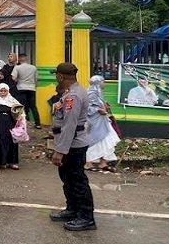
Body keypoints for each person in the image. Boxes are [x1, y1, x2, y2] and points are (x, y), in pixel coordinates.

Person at [49, 62, 96, 231]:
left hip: (73, 145)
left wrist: (60, 151)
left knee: (77, 181)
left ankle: (86, 217)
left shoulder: (73, 96)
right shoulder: (71, 93)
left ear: (61, 77)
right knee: (68, 180)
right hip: (70, 143)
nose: (56, 78)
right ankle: (73, 209)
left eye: (57, 75)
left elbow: (70, 125)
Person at [85, 76, 120, 172]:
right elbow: (87, 108)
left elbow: (98, 105)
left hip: (102, 121)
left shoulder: (98, 93)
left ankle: (103, 163)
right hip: (95, 122)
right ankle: (88, 163)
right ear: (97, 83)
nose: (104, 83)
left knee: (105, 139)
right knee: (94, 140)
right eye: (103, 81)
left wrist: (105, 107)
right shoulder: (91, 93)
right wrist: (98, 110)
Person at [12, 54, 40, 129]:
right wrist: (34, 86)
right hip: (31, 88)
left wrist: (18, 81)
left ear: (19, 59)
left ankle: (20, 123)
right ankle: (38, 124)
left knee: (20, 106)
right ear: (26, 59)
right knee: (33, 106)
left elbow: (14, 78)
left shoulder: (17, 67)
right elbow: (36, 79)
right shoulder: (33, 68)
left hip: (21, 88)